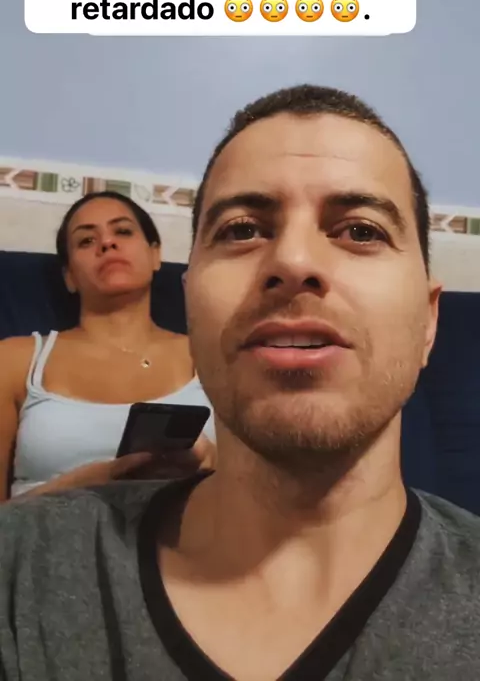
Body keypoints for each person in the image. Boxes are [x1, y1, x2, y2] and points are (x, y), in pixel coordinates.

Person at [1, 84, 480, 681]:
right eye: (242, 229)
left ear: (429, 322)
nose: (294, 261)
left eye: (361, 231)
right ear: (190, 304)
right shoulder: (18, 568)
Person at [0, 190, 214, 501]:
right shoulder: (14, 360)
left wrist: (212, 464)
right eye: (86, 240)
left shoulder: (210, 354)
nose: (107, 243)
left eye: (123, 231)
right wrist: (93, 482)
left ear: (155, 254)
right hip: (44, 530)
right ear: (69, 276)